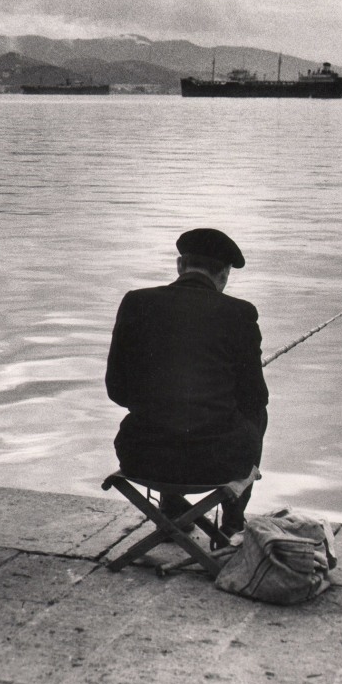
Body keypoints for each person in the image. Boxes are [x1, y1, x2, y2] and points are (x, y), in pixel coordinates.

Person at [105, 227, 268, 534]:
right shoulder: (240, 314)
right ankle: (233, 520)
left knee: (167, 413)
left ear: (180, 265)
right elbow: (254, 399)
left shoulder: (135, 303)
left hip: (141, 457)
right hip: (216, 464)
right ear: (224, 275)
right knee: (258, 414)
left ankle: (171, 510)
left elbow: (117, 390)